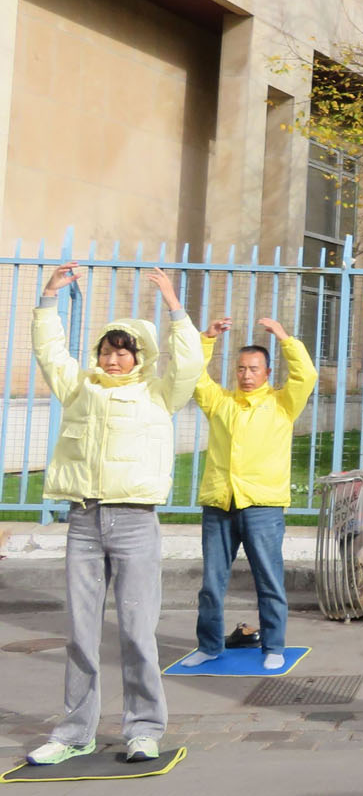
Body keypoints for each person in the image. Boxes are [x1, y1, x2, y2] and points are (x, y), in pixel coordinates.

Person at [25, 264, 202, 765]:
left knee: (135, 629)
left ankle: (144, 728)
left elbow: (188, 364)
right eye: (107, 348)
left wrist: (173, 306)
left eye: (123, 350)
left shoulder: (158, 393)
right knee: (81, 632)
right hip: (83, 521)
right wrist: (48, 299)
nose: (114, 357)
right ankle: (74, 731)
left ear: (139, 355)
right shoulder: (80, 387)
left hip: (133, 522)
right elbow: (49, 353)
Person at [183, 316, 316, 671]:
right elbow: (194, 376)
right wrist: (207, 339)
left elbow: (306, 376)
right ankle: (209, 646)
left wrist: (286, 338)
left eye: (254, 368)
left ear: (268, 372)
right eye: (241, 368)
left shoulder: (282, 404)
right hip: (220, 505)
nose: (246, 375)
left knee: (268, 581)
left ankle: (273, 645)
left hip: (262, 507)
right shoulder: (219, 402)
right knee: (211, 585)